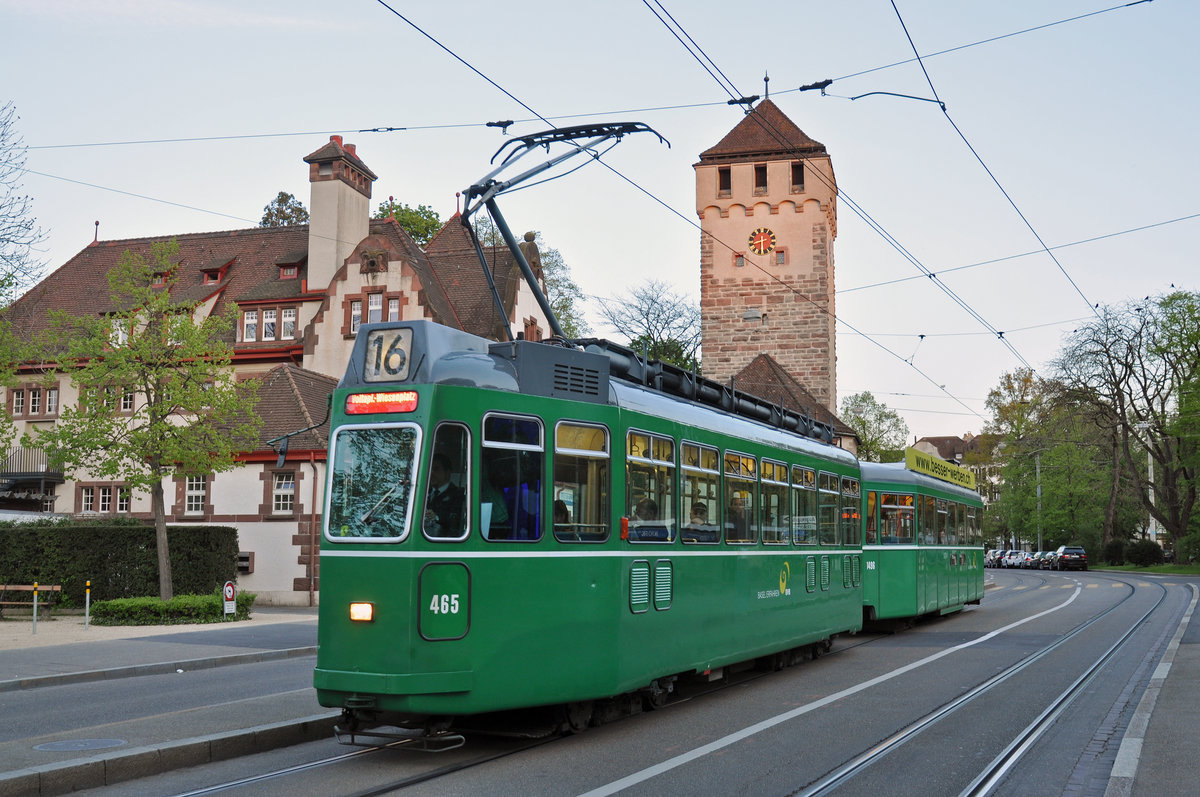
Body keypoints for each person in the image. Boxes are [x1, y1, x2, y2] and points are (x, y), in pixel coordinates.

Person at [423, 453, 464, 536]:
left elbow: (457, 521)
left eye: (436, 469)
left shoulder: (459, 494)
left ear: (448, 472)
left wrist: (436, 517)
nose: (431, 473)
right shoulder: (423, 492)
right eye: (430, 469)